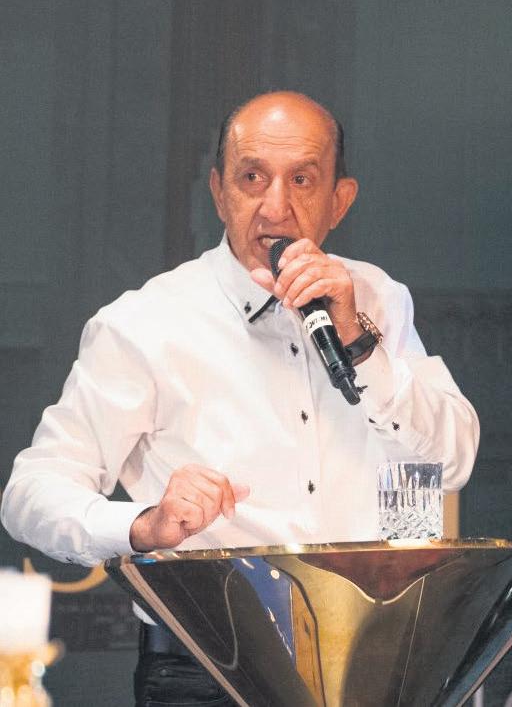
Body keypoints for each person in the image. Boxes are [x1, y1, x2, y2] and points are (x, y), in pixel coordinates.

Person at [1, 91, 481, 706]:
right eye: (252, 178)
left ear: (339, 201)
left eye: (302, 179)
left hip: (375, 666)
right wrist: (143, 525)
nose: (275, 207)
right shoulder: (144, 324)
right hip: (210, 671)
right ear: (219, 192)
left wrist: (360, 341)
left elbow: (451, 462)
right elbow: (30, 494)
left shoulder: (377, 297)